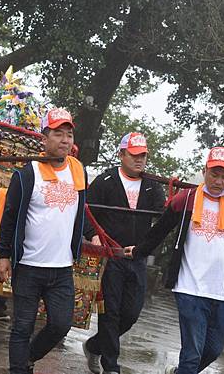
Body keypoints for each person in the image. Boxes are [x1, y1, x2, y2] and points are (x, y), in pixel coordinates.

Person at [124, 147, 224, 374]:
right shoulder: (186, 200)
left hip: (220, 293)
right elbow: (160, 230)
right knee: (192, 355)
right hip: (189, 287)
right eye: (214, 174)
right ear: (204, 171)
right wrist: (139, 251)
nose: (218, 181)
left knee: (213, 349)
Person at [0, 108, 94, 374]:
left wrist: (90, 235)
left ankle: (26, 358)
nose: (64, 140)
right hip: (28, 266)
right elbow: (10, 216)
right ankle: (19, 369)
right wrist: (4, 255)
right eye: (58, 134)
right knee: (22, 326)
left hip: (61, 268)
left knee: (61, 325)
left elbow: (80, 212)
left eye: (69, 135)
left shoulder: (78, 171)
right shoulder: (27, 175)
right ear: (44, 139)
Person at [82, 132, 165, 374]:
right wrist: (93, 235)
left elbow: (162, 219)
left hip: (136, 258)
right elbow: (86, 212)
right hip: (111, 257)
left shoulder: (152, 185)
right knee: (111, 311)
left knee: (131, 313)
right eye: (135, 155)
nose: (140, 160)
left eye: (144, 156)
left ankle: (95, 345)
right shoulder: (105, 180)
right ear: (121, 154)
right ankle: (111, 366)